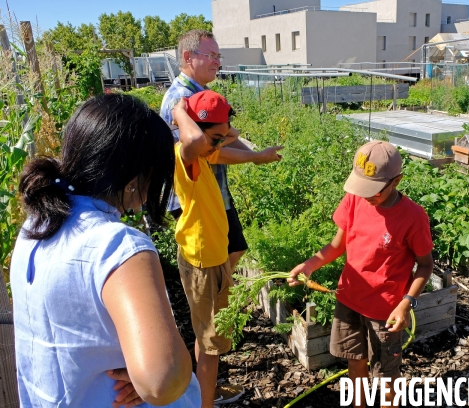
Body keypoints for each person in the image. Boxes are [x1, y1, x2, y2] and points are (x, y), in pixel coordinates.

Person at [10, 94, 201, 407]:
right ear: (134, 180)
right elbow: (161, 383)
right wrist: (169, 369)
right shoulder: (118, 247)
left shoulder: (36, 228)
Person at [287, 141, 434, 407]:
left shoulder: (413, 217)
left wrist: (406, 303)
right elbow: (337, 245)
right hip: (349, 299)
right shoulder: (354, 199)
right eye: (361, 186)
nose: (366, 195)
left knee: (387, 376)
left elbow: (425, 265)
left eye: (374, 190)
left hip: (385, 310)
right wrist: (309, 265)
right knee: (355, 362)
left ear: (397, 180)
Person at [160, 29, 282, 271]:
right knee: (210, 262)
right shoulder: (182, 99)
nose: (217, 61)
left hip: (212, 190)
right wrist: (255, 157)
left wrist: (254, 153)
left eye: (218, 56)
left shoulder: (200, 94)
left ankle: (220, 300)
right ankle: (214, 304)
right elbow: (206, 150)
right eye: (211, 55)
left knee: (233, 250)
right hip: (196, 197)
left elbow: (222, 135)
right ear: (188, 57)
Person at [170, 90, 246, 408]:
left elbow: (233, 134)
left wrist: (218, 130)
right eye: (214, 138)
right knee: (211, 348)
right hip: (203, 261)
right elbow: (194, 141)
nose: (219, 143)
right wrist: (179, 110)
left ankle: (201, 396)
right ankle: (204, 404)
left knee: (208, 340)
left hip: (212, 257)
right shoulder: (188, 156)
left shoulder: (202, 154)